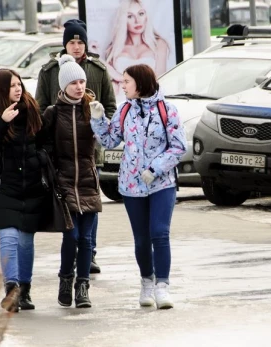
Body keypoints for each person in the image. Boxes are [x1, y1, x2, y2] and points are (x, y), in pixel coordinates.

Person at [90, 64, 187, 309]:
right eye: (122, 82)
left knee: (160, 233)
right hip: (131, 185)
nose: (122, 86)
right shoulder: (125, 110)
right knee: (142, 239)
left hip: (161, 183)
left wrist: (155, 169)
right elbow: (110, 140)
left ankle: (162, 287)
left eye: (126, 82)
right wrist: (98, 119)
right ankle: (147, 282)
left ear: (140, 84)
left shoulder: (167, 110)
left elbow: (178, 147)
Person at [36, 18, 116, 274]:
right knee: (69, 211)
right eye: (72, 41)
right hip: (60, 156)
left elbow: (111, 107)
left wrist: (102, 124)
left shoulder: (98, 70)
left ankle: (89, 252)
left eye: (80, 41)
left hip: (90, 153)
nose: (76, 46)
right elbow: (39, 109)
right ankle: (71, 259)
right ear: (65, 44)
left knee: (90, 201)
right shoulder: (49, 71)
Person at [0, 68, 46, 313]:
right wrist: (2, 123)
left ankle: (24, 290)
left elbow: (43, 142)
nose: (18, 88)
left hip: (31, 187)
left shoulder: (31, 109)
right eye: (12, 85)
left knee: (25, 242)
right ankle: (11, 290)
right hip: (1, 189)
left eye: (19, 84)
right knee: (8, 237)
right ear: (0, 90)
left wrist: (39, 162)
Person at [41, 55, 102, 309]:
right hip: (64, 182)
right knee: (72, 236)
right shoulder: (53, 113)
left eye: (82, 81)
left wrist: (101, 121)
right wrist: (50, 176)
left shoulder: (91, 108)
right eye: (73, 82)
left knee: (87, 239)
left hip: (88, 179)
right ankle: (66, 280)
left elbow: (108, 139)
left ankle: (83, 286)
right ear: (63, 86)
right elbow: (43, 147)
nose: (79, 86)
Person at [103, 0, 170, 97]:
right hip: (122, 100)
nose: (137, 20)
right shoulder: (114, 49)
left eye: (141, 14)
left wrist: (123, 79)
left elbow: (160, 79)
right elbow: (110, 80)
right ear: (123, 20)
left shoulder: (159, 44)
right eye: (130, 16)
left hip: (148, 99)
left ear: (146, 16)